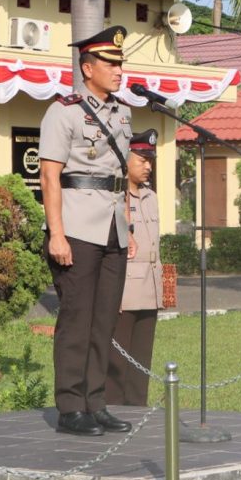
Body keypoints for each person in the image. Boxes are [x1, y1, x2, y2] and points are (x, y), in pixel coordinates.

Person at [39, 25, 135, 436]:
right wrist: (56, 234)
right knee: (77, 319)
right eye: (110, 64)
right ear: (87, 67)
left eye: (120, 63)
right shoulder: (64, 110)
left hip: (113, 228)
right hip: (76, 227)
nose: (118, 71)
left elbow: (121, 177)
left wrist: (127, 229)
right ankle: (70, 406)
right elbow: (49, 176)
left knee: (103, 320)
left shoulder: (123, 112)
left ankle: (96, 403)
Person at [107, 130, 163, 406]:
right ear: (124, 160)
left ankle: (137, 410)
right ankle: (115, 411)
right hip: (124, 291)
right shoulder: (114, 198)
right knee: (118, 361)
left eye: (149, 160)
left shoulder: (151, 197)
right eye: (141, 159)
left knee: (142, 361)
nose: (148, 166)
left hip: (149, 290)